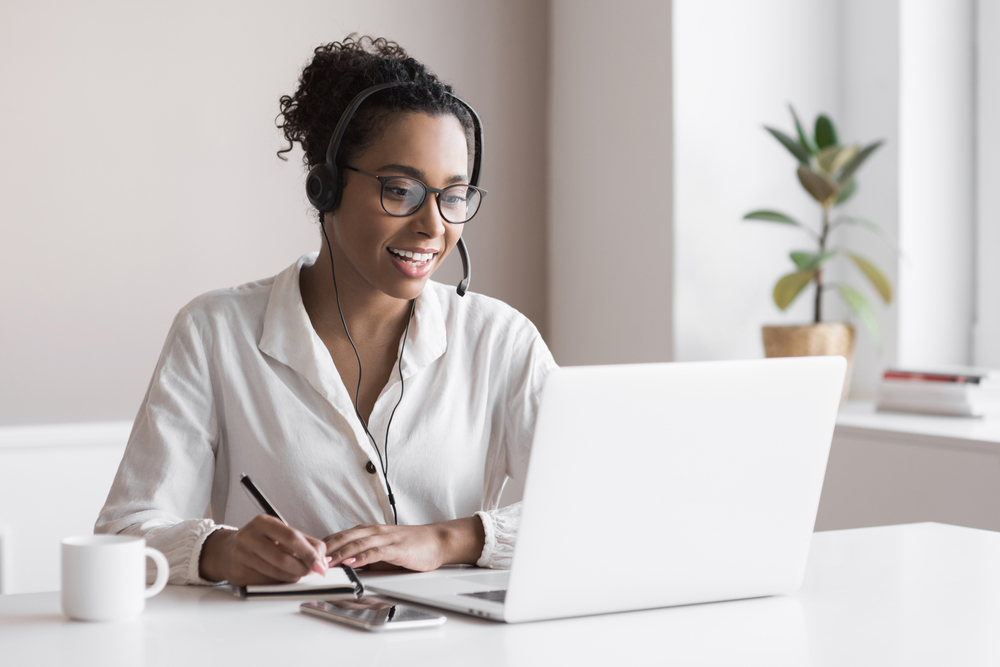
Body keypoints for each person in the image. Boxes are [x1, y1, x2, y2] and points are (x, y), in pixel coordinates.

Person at [95, 36, 556, 586]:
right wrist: (221, 550)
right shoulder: (215, 332)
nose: (433, 225)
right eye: (401, 189)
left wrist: (445, 540)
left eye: (452, 195)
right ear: (326, 187)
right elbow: (125, 533)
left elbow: (600, 507)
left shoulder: (501, 341)